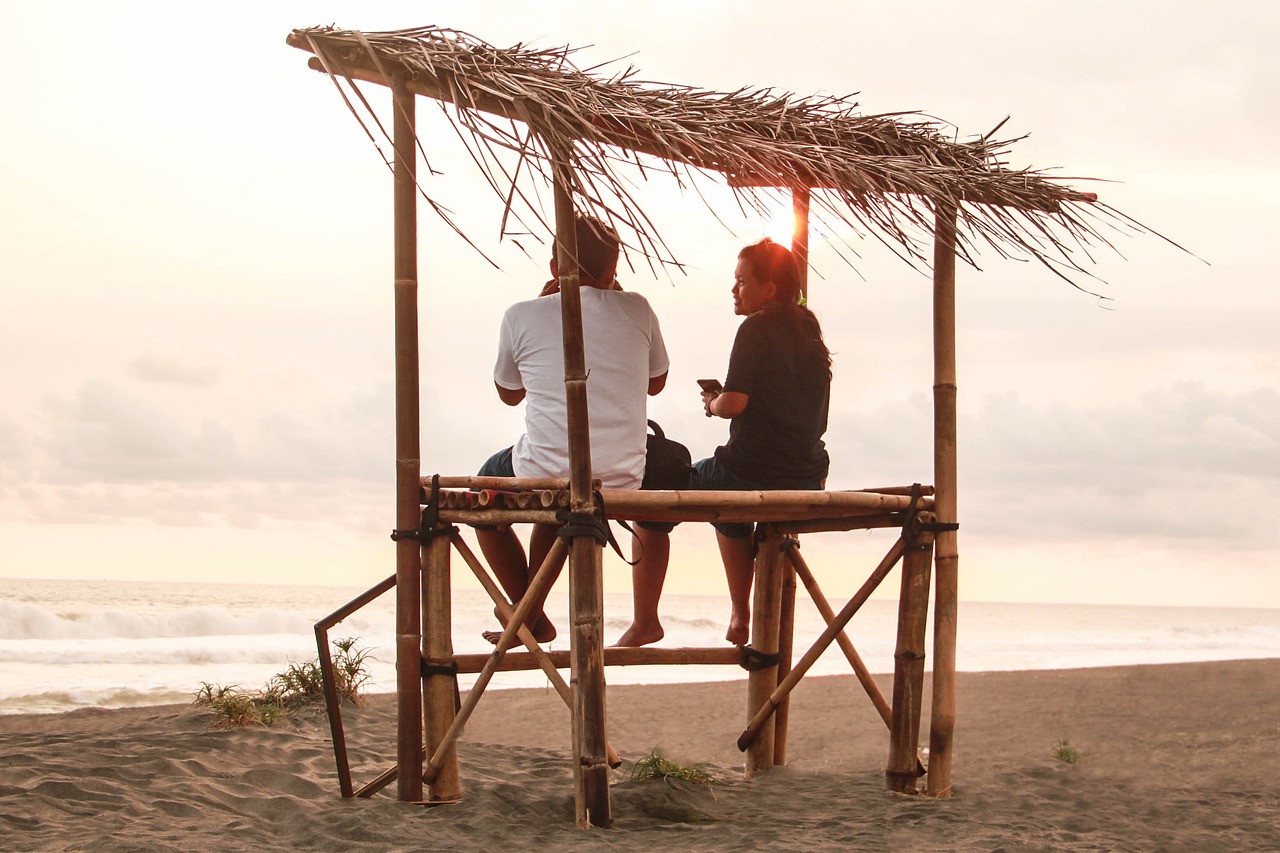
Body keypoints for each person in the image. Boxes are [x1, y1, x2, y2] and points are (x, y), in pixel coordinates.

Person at [620, 238, 831, 648]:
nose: (734, 290)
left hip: (751, 471)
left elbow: (734, 404)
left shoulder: (755, 328)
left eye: (741, 281)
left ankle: (648, 620)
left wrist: (712, 403)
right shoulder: (808, 329)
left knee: (652, 499)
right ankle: (739, 614)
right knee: (729, 500)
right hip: (807, 475)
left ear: (769, 289)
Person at [475, 215, 670, 644]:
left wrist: (542, 312)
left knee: (481, 502)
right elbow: (656, 383)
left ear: (552, 267)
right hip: (624, 474)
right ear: (611, 269)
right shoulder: (638, 308)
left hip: (544, 469)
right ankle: (532, 612)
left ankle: (529, 608)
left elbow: (509, 393)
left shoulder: (520, 315)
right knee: (558, 490)